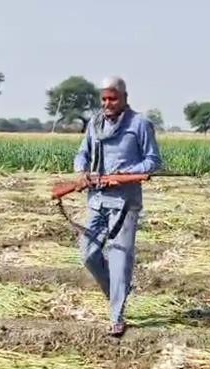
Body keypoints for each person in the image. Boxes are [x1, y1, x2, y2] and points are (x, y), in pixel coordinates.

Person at [73, 76, 163, 337]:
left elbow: (152, 161)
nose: (107, 103)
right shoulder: (95, 123)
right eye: (104, 98)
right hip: (97, 199)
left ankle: (117, 315)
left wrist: (125, 173)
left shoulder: (140, 124)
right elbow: (83, 153)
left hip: (125, 202)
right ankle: (117, 291)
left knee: (119, 256)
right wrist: (81, 172)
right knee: (88, 254)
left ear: (124, 98)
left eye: (112, 98)